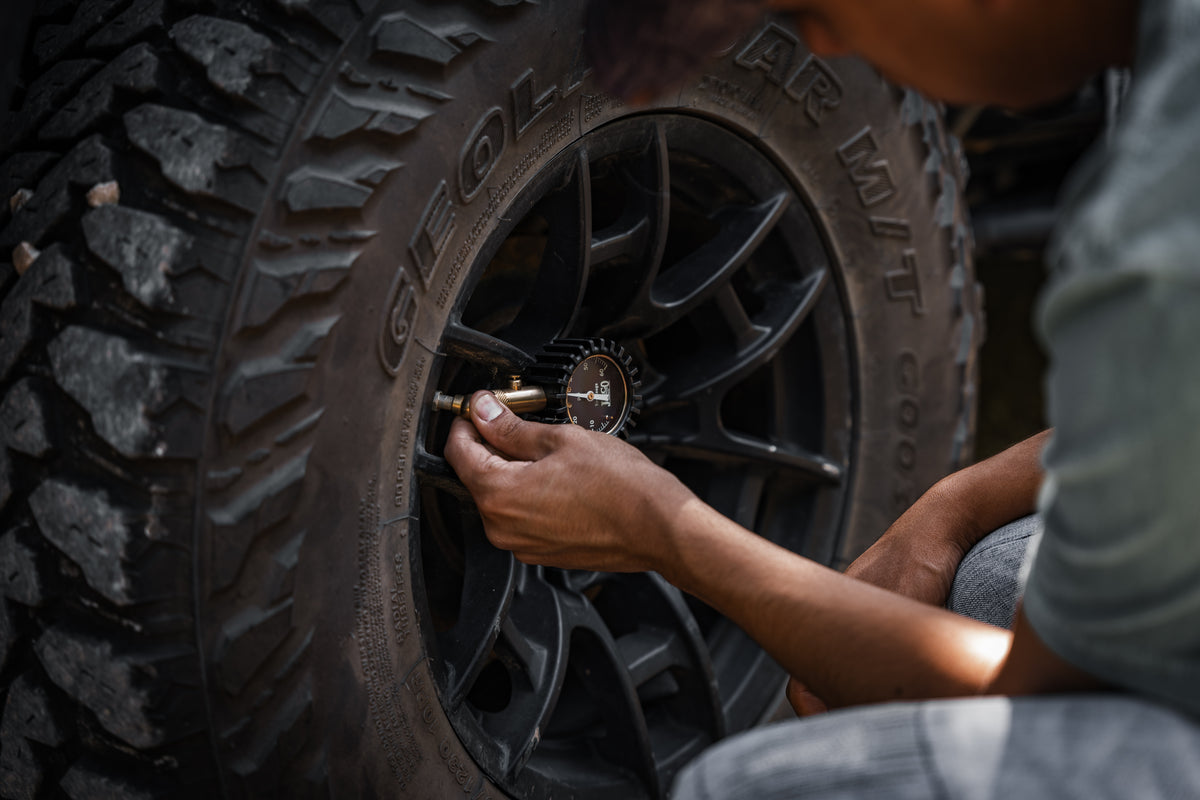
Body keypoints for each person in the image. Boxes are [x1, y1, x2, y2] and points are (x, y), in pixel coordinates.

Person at [445, 0, 1200, 795]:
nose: (824, 40)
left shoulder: (1156, 237)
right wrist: (956, 504)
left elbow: (1040, 711)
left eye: (813, 5)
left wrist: (665, 532)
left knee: (743, 786)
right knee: (986, 584)